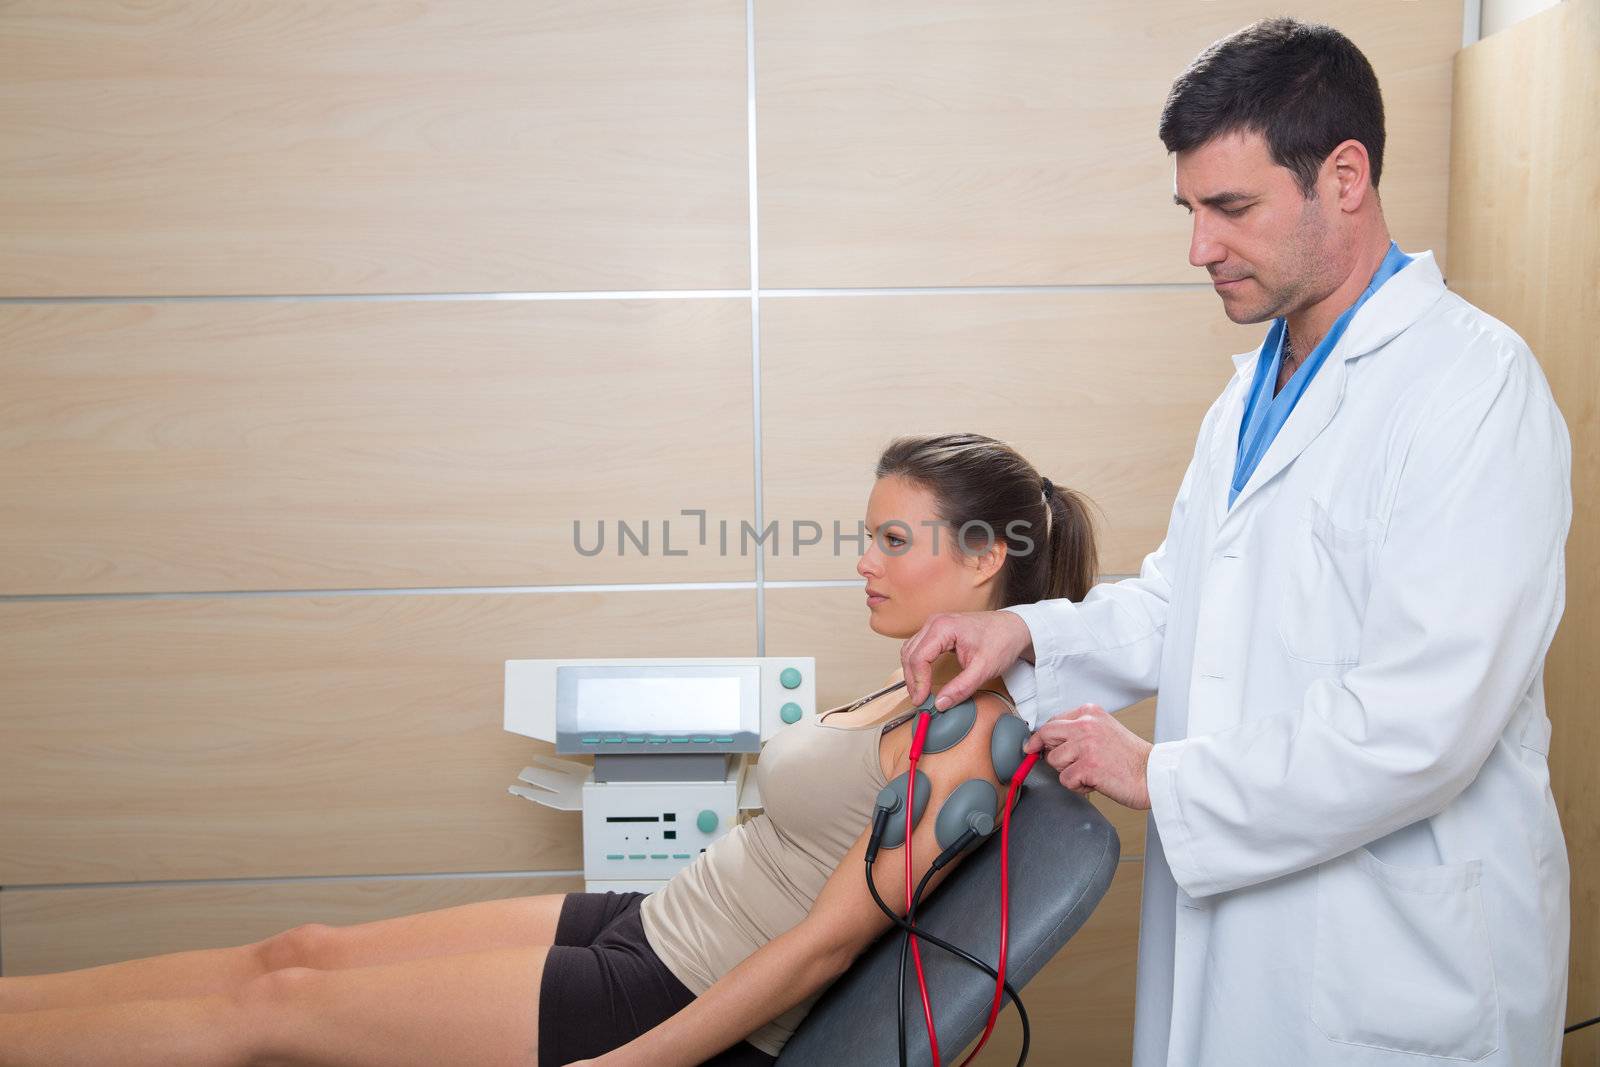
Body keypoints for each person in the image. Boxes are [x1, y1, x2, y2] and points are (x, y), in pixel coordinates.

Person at [900, 17, 1573, 1067]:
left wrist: (1160, 774)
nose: (1198, 247)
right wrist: (1026, 635)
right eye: (1190, 209)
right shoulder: (1257, 387)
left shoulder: (1472, 388)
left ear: (1342, 177)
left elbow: (1422, 718)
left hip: (1393, 957)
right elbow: (1187, 603)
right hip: (1247, 943)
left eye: (1231, 208)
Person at [0, 433, 1099, 1067]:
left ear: (979, 559)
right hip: (650, 922)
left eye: (889, 540)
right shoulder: (913, 680)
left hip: (666, 990)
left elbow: (818, 952)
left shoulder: (975, 741)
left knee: (273, 1013)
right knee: (299, 950)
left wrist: (632, 1063)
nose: (861, 559)